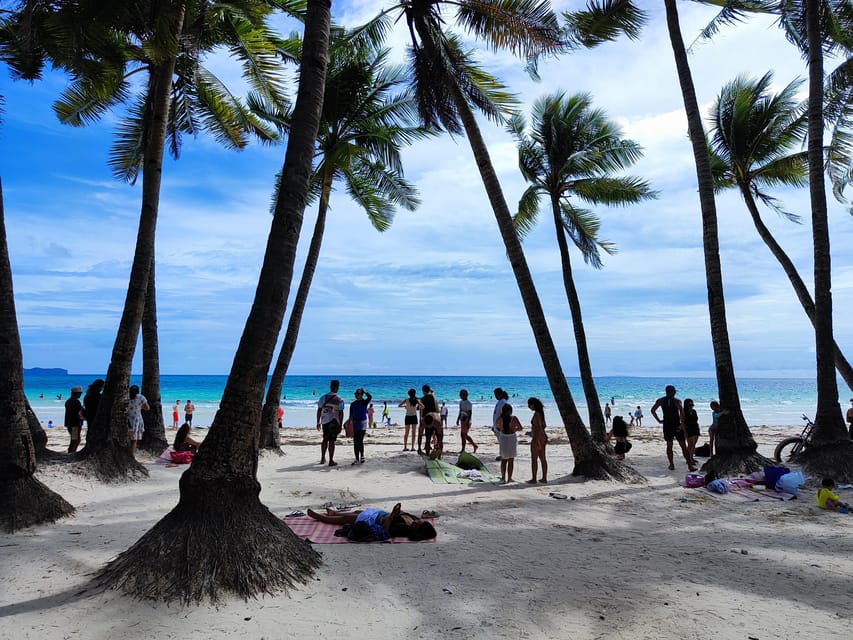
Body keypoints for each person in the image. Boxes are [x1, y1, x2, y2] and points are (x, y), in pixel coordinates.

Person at [306, 502, 437, 542]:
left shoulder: (405, 529)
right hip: (379, 514)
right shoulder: (413, 519)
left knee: (345, 520)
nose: (416, 521)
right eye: (418, 521)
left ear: (417, 529)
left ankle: (320, 517)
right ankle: (335, 513)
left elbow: (386, 529)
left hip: (374, 520)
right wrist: (397, 511)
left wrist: (392, 515)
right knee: (356, 513)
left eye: (417, 524)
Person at [651, 385, 691, 471]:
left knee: (669, 445)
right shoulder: (677, 401)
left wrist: (659, 420)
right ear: (673, 392)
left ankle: (672, 464)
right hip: (676, 425)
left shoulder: (661, 400)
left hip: (667, 425)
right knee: (683, 445)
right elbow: (682, 412)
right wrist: (681, 424)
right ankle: (689, 465)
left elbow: (653, 410)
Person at [316, 379, 344, 466]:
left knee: (325, 439)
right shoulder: (339, 399)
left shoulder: (323, 397)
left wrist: (318, 422)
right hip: (334, 422)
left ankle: (322, 458)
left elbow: (319, 410)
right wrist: (340, 424)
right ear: (337, 388)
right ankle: (331, 460)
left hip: (324, 421)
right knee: (331, 441)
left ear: (330, 387)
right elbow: (341, 412)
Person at [496, 403, 523, 483]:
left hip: (503, 438)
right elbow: (520, 428)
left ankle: (503, 478)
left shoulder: (500, 418)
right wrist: (514, 429)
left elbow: (497, 427)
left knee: (504, 459)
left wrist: (501, 429)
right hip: (511, 438)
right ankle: (509, 478)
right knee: (511, 459)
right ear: (511, 411)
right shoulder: (514, 418)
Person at [526, 397, 548, 483]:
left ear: (533, 404)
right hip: (543, 436)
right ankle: (544, 478)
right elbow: (544, 426)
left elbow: (538, 427)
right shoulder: (541, 413)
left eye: (529, 405)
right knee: (543, 458)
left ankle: (534, 478)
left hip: (537, 437)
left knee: (534, 459)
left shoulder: (537, 414)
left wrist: (536, 438)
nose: (528, 407)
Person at [349, 388, 372, 464]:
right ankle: (356, 458)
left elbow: (370, 397)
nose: (356, 395)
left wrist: (365, 391)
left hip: (362, 423)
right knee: (355, 442)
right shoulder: (353, 404)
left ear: (361, 395)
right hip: (355, 424)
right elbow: (350, 416)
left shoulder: (364, 402)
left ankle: (362, 456)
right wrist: (349, 424)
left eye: (358, 394)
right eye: (355, 394)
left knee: (360, 440)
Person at [127, 384, 149, 456]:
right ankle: (131, 455)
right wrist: (139, 407)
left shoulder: (126, 396)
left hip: (126, 418)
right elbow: (147, 408)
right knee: (134, 439)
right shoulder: (140, 397)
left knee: (127, 438)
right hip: (136, 419)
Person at [418, 384, 438, 455]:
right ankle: (437, 451)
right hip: (435, 416)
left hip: (427, 418)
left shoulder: (422, 399)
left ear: (423, 391)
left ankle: (421, 449)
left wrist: (420, 419)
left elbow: (420, 410)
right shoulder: (432, 396)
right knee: (436, 435)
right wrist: (431, 390)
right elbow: (433, 392)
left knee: (427, 437)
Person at [456, 389, 477, 453]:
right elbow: (460, 411)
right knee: (463, 435)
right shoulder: (461, 402)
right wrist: (457, 419)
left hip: (467, 420)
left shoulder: (468, 403)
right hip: (462, 420)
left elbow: (470, 413)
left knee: (463, 435)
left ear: (465, 395)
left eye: (462, 395)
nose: (461, 396)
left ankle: (463, 449)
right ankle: (474, 445)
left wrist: (467, 422)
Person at [64, 385, 84, 453]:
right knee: (75, 439)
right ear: (77, 393)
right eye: (80, 393)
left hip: (69, 422)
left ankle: (72, 451)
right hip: (75, 423)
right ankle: (72, 451)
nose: (80, 395)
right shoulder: (76, 402)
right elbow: (79, 412)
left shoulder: (68, 401)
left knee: (75, 438)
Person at [492, 387, 509, 461]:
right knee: (500, 441)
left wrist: (500, 425)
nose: (495, 396)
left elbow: (504, 415)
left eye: (496, 394)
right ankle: (502, 455)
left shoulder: (503, 402)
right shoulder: (500, 401)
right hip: (497, 425)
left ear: (500, 394)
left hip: (500, 425)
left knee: (502, 441)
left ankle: (504, 455)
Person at [682, 398, 701, 467]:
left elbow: (696, 419)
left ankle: (691, 457)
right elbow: (683, 422)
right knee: (690, 445)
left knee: (694, 444)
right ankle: (688, 459)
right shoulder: (683, 412)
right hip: (688, 429)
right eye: (690, 404)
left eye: (692, 404)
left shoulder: (694, 411)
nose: (691, 406)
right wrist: (684, 432)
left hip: (695, 427)